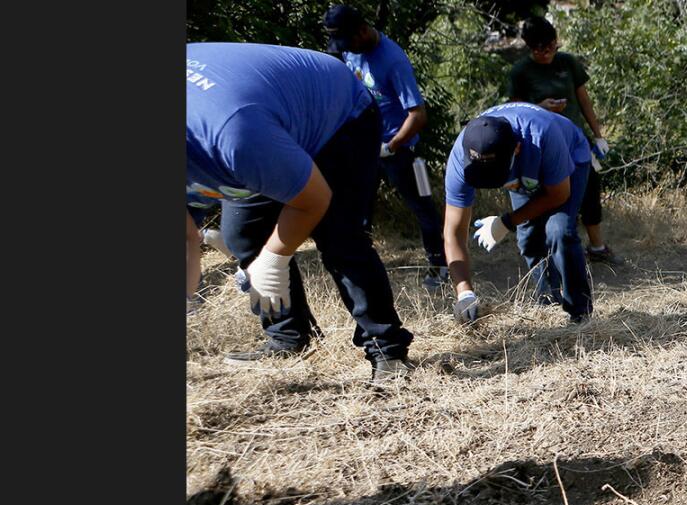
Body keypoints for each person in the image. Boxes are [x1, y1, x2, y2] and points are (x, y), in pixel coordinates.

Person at [186, 42, 414, 382]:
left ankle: (387, 350)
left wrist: (274, 258)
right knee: (243, 234)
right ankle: (288, 338)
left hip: (336, 116)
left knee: (339, 237)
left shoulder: (234, 137)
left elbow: (312, 199)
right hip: (263, 119)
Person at [323, 4, 449, 289]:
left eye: (348, 42)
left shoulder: (393, 61)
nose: (346, 50)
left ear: (363, 30)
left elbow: (418, 115)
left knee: (423, 207)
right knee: (359, 208)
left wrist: (391, 145)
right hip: (364, 147)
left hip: (402, 152)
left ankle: (440, 266)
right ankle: (361, 272)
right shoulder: (349, 49)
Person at [441, 102, 595, 324]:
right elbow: (453, 233)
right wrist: (465, 293)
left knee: (559, 231)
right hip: (525, 173)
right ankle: (547, 301)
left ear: (516, 149)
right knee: (528, 239)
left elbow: (558, 195)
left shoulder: (542, 134)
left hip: (568, 156)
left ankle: (580, 313)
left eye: (496, 175)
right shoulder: (461, 155)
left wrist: (507, 221)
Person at [508, 15, 617, 264]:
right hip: (544, 147)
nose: (546, 54)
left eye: (550, 47)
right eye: (539, 50)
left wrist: (598, 136)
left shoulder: (568, 63)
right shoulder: (521, 72)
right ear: (529, 47)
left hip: (578, 142)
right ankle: (553, 251)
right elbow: (514, 111)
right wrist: (540, 107)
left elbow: (584, 99)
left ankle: (598, 247)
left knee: (590, 192)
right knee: (555, 198)